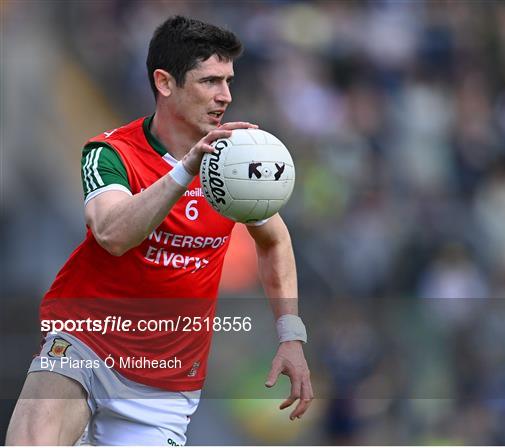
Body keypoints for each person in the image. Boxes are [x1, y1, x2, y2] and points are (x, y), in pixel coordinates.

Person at [6, 15, 312, 445]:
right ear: (165, 83)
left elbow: (274, 238)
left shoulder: (237, 160)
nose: (225, 96)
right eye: (209, 81)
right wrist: (185, 171)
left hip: (165, 386)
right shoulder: (111, 152)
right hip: (86, 343)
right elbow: (112, 233)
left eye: (228, 81)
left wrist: (291, 335)